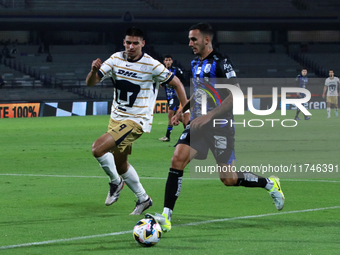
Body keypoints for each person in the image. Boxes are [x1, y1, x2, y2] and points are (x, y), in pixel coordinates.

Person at [145, 23, 285, 232]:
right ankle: (166, 217)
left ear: (206, 40)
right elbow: (199, 91)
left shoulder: (221, 62)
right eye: (189, 39)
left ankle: (269, 183)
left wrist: (210, 115)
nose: (190, 43)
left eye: (194, 39)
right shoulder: (195, 63)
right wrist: (182, 110)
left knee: (228, 179)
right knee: (177, 159)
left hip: (220, 125)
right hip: (199, 124)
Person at [85, 27, 187, 215]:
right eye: (128, 42)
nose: (131, 46)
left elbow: (177, 83)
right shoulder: (115, 59)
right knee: (120, 163)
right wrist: (93, 71)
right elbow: (91, 83)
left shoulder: (151, 65)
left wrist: (184, 110)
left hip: (136, 120)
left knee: (97, 148)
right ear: (123, 42)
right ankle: (143, 199)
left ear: (143, 44)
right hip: (116, 118)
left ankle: (116, 183)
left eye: (135, 43)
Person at [159, 55, 189, 142]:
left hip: (175, 96)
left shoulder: (176, 70)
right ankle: (189, 129)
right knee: (179, 117)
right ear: (164, 62)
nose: (168, 62)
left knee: (170, 114)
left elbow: (184, 80)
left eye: (169, 60)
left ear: (172, 61)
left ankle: (167, 136)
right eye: (166, 60)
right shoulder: (162, 71)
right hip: (168, 97)